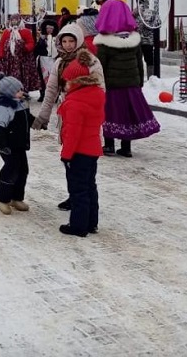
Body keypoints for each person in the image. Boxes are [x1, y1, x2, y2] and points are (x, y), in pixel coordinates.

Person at [32, 22, 104, 211]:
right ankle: (75, 196)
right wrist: (43, 116)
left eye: (71, 41)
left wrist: (94, 113)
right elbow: (51, 90)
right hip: (69, 115)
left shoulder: (90, 60)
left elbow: (101, 88)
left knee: (84, 163)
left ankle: (84, 201)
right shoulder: (59, 62)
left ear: (78, 40)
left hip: (87, 116)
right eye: (64, 41)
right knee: (70, 158)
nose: (68, 45)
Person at [94, 0, 161, 157]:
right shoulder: (134, 40)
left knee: (110, 114)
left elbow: (100, 67)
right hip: (131, 85)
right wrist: (139, 82)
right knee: (127, 114)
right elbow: (139, 63)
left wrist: (96, 85)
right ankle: (126, 147)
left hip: (111, 86)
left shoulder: (104, 42)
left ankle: (109, 145)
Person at [56, 50, 106, 237]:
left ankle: (78, 226)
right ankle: (91, 222)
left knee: (78, 190)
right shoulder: (96, 95)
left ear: (77, 81)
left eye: (68, 81)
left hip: (78, 152)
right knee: (90, 186)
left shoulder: (75, 102)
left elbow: (72, 134)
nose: (66, 85)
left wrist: (66, 155)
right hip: (93, 150)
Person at [0, 72, 33, 215]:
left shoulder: (21, 103)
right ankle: (1, 198)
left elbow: (27, 118)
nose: (21, 92)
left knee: (23, 170)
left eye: (21, 89)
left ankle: (16, 197)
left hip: (20, 144)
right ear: (9, 92)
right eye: (18, 90)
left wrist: (38, 122)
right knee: (11, 170)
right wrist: (2, 145)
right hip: (9, 146)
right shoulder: (4, 108)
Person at [0, 14, 39, 94]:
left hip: (22, 59)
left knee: (23, 75)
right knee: (9, 76)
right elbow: (2, 43)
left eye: (16, 20)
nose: (14, 22)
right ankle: (10, 91)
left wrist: (25, 48)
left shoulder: (25, 31)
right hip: (9, 60)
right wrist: (1, 54)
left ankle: (23, 91)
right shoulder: (7, 32)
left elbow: (31, 43)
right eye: (12, 20)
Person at [34, 19, 59, 103]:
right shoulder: (41, 38)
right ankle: (42, 94)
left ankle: (54, 95)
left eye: (51, 28)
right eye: (48, 28)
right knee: (42, 78)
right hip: (43, 59)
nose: (49, 30)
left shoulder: (57, 38)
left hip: (53, 59)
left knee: (54, 77)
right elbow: (37, 49)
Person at [134, 0, 156, 79]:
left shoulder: (151, 13)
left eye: (141, 2)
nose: (140, 5)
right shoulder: (135, 13)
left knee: (149, 60)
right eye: (138, 3)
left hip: (147, 41)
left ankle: (151, 78)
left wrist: (144, 16)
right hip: (137, 40)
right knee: (137, 60)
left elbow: (153, 26)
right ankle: (139, 78)